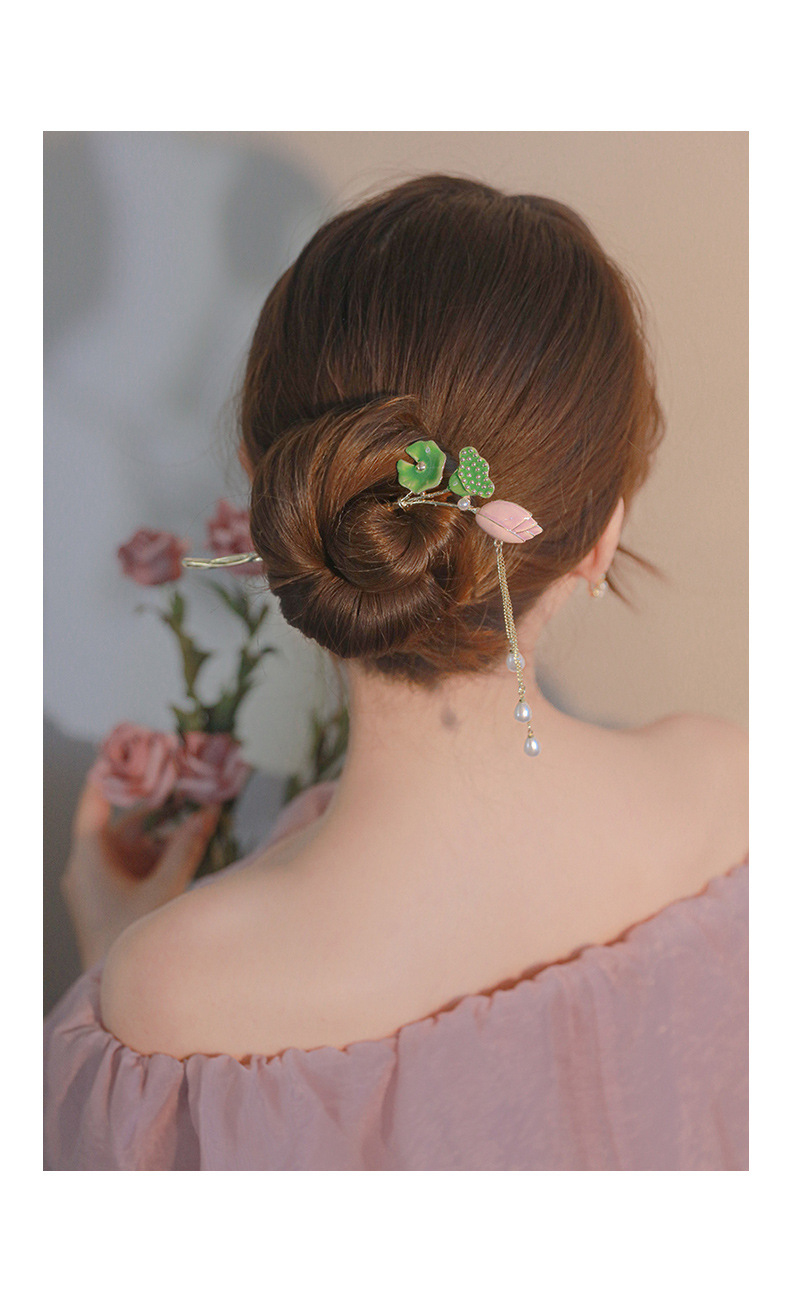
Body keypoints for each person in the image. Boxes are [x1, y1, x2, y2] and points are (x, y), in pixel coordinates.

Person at [44, 174, 747, 1170]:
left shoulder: (178, 1000)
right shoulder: (733, 795)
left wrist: (119, 960)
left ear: (270, 492)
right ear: (600, 536)